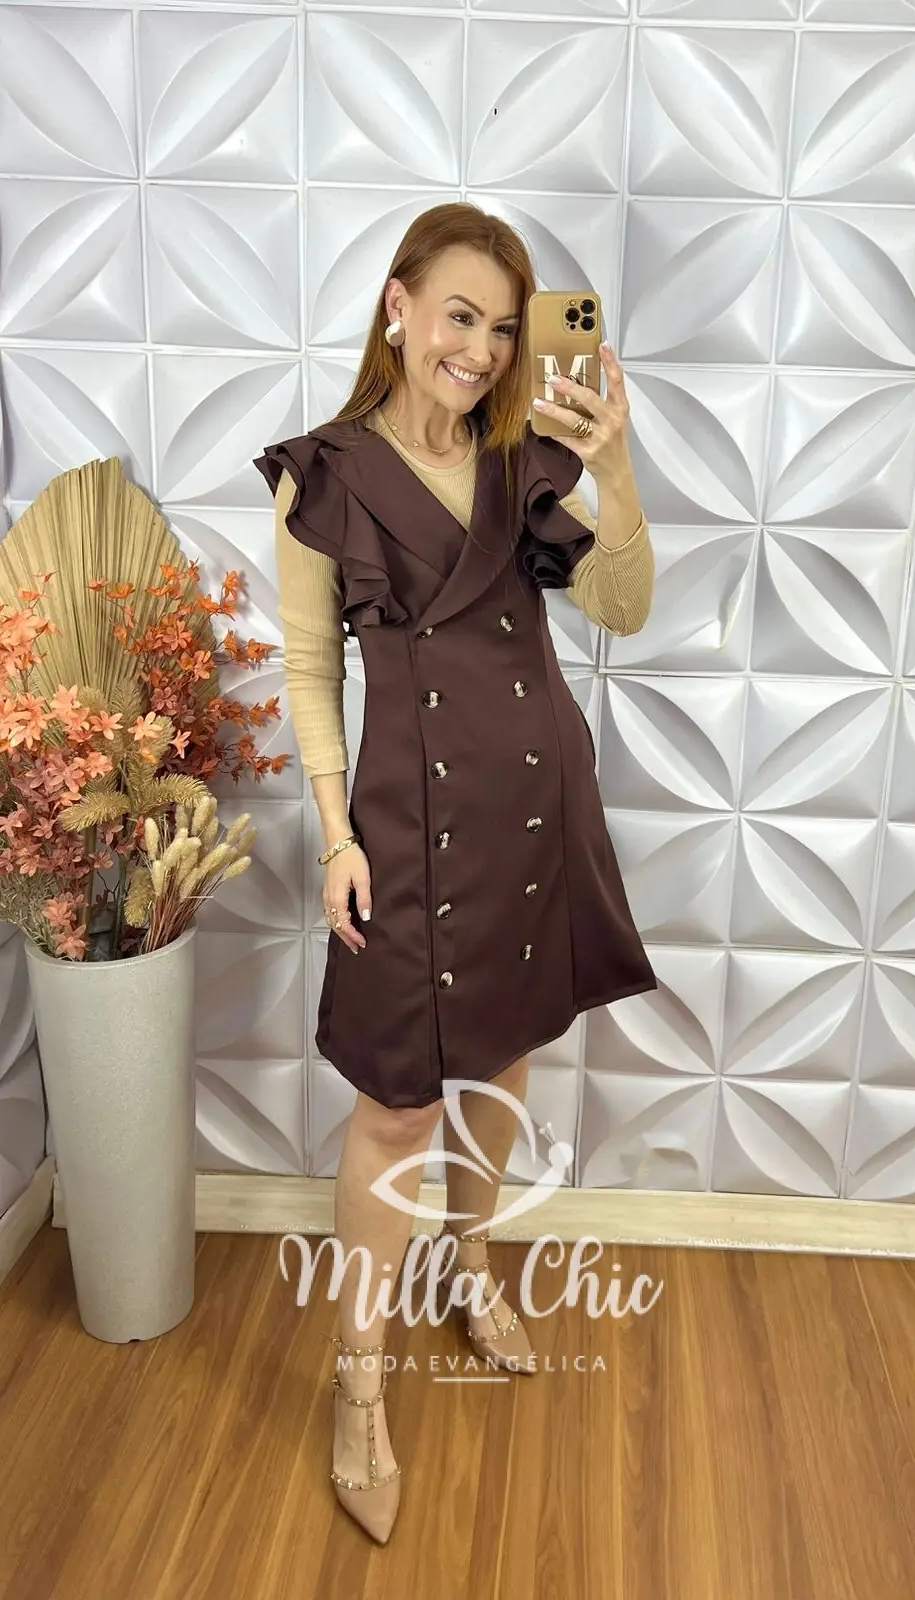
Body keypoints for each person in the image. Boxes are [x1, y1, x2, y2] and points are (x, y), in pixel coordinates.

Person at [253, 201, 657, 1545]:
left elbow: (621, 608)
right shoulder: (322, 479)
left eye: (501, 327)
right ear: (399, 307)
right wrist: (337, 836)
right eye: (459, 316)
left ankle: (469, 1259)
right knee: (395, 1112)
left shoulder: (525, 460)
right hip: (405, 832)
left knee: (509, 1051)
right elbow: (311, 669)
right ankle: (358, 1385)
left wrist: (618, 466)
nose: (479, 350)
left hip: (539, 807)